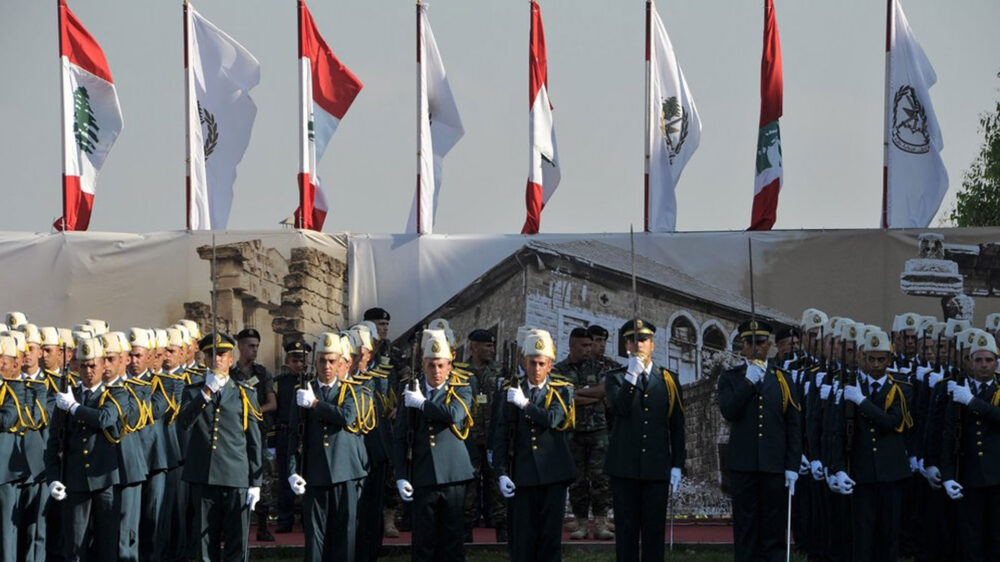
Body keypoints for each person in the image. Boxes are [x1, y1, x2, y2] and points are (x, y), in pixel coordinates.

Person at [717, 320, 801, 562]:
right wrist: (748, 383)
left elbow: (793, 424)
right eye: (750, 342)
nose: (756, 348)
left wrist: (792, 465)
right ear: (742, 346)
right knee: (746, 527)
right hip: (744, 464)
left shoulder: (783, 378)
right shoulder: (731, 378)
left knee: (773, 529)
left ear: (770, 345)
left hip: (774, 465)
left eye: (761, 342)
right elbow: (730, 411)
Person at [176, 332, 263, 562]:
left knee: (236, 542)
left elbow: (254, 440)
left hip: (235, 476)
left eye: (222, 354)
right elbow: (183, 423)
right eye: (211, 355)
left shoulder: (245, 393)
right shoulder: (192, 392)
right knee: (205, 543)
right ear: (204, 359)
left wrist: (255, 482)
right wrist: (205, 393)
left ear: (231, 359)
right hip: (203, 476)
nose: (217, 359)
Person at [605, 319, 685, 562]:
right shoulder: (616, 378)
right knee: (626, 532)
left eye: (643, 340)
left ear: (652, 344)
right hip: (624, 467)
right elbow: (619, 409)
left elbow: (677, 425)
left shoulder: (668, 379)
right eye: (632, 340)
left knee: (653, 533)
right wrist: (631, 376)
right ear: (626, 345)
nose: (638, 344)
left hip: (656, 467)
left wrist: (677, 464)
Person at [493, 329, 576, 561]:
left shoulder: (562, 390)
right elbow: (501, 434)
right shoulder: (509, 391)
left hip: (553, 475)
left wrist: (525, 404)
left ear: (550, 365)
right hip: (522, 473)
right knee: (522, 540)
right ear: (524, 362)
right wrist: (500, 472)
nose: (537, 369)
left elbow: (552, 419)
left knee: (549, 541)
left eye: (541, 363)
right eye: (532, 363)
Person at [830, 329, 912, 562]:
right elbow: (837, 431)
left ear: (889, 360)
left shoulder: (900, 388)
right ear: (861, 357)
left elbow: (891, 422)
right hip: (861, 472)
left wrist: (861, 401)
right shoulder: (848, 386)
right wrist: (838, 469)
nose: (876, 365)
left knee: (889, 539)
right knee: (862, 539)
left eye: (881, 359)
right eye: (871, 358)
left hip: (891, 474)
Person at [393, 329, 474, 562]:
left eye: (441, 365)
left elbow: (454, 414)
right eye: (431, 365)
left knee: (452, 542)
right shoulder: (409, 390)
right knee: (423, 542)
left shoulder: (461, 388)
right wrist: (400, 475)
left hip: (453, 474)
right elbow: (400, 437)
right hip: (423, 473)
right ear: (423, 364)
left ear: (449, 365)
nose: (436, 371)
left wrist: (422, 404)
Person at [288, 331, 368, 561]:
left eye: (332, 360)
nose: (327, 365)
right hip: (315, 472)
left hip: (345, 472)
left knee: (345, 536)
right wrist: (293, 470)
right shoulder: (303, 391)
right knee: (314, 538)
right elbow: (295, 435)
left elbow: (347, 416)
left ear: (342, 362)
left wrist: (314, 404)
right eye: (322, 360)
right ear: (315, 362)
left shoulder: (352, 389)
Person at [47, 337, 125, 562]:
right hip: (76, 480)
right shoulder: (67, 396)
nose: (88, 371)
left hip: (104, 480)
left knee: (106, 548)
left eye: (93, 365)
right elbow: (54, 442)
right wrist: (53, 478)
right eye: (83, 366)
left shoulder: (115, 393)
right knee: (75, 549)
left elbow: (104, 418)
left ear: (103, 365)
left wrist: (73, 407)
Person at [941, 331, 1000, 562]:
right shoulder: (957, 389)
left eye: (989, 360)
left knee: (997, 538)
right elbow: (947, 435)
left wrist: (972, 402)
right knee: (970, 538)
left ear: (996, 363)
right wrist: (947, 475)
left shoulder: (972, 394)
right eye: (979, 360)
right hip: (969, 474)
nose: (984, 365)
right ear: (970, 362)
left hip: (998, 476)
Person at [556, 327, 612, 540]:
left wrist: (576, 393)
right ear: (572, 345)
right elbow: (563, 397)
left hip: (598, 430)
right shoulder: (560, 369)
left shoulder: (599, 367)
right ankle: (580, 522)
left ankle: (600, 522)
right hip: (573, 431)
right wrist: (590, 395)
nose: (589, 349)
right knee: (577, 480)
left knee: (600, 478)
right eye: (584, 345)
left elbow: (604, 391)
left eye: (590, 345)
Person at [231, 327, 278, 541]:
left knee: (262, 476)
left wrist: (252, 411)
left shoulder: (262, 373)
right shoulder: (231, 374)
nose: (254, 350)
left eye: (257, 346)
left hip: (258, 432)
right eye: (250, 346)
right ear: (240, 347)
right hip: (235, 435)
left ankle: (263, 525)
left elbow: (272, 403)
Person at [462, 328, 508, 542]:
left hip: (493, 437)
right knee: (468, 486)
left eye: (492, 345)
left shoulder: (499, 371)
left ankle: (501, 533)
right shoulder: (461, 371)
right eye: (487, 345)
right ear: (474, 346)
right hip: (468, 437)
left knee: (496, 485)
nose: (491, 349)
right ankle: (467, 534)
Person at [274, 339, 311, 533]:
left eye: (302, 360)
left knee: (308, 477)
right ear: (288, 361)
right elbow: (275, 411)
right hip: (285, 434)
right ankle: (284, 520)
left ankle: (307, 518)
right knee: (285, 479)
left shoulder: (312, 381)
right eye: (295, 360)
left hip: (306, 437)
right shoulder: (280, 383)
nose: (299, 364)